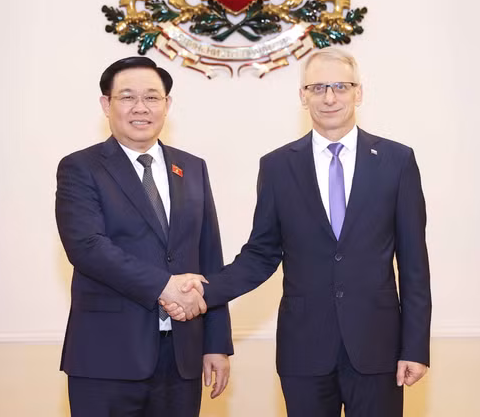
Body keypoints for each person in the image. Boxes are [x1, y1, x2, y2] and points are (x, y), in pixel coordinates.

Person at [164, 48, 431, 417]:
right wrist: (205, 292)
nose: (330, 97)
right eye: (318, 87)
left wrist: (415, 347)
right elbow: (260, 255)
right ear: (302, 96)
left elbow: (415, 265)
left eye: (341, 86)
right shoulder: (277, 167)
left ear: (359, 92)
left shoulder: (397, 161)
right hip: (304, 350)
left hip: (378, 347)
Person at [55, 56, 233, 417]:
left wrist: (216, 343)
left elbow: (209, 257)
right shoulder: (80, 168)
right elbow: (87, 247)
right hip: (106, 357)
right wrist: (163, 286)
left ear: (167, 105)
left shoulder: (192, 167)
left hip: (181, 356)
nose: (141, 108)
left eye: (152, 97)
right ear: (107, 105)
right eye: (127, 97)